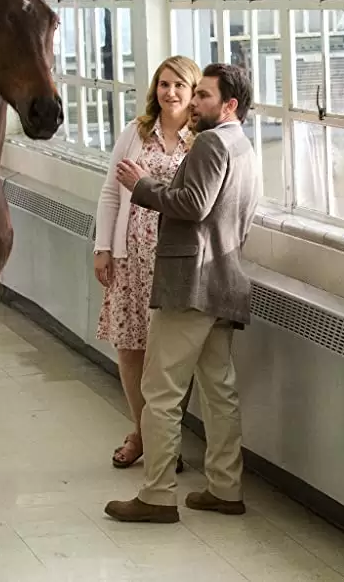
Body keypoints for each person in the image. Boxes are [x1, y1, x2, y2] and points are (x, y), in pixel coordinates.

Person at [103, 63, 259, 524]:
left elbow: (194, 204)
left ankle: (156, 495)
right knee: (219, 390)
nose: (194, 103)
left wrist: (142, 186)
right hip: (224, 280)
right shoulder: (244, 146)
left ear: (229, 105)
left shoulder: (212, 141)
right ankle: (225, 488)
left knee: (161, 389)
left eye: (204, 96)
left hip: (190, 283)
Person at [93, 55, 202, 470]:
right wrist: (103, 248)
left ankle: (164, 440)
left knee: (170, 356)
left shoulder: (201, 140)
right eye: (163, 84)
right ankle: (143, 433)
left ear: (192, 94)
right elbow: (109, 192)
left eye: (179, 85)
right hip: (130, 259)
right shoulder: (136, 133)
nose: (170, 92)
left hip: (174, 263)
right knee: (131, 348)